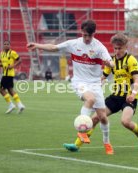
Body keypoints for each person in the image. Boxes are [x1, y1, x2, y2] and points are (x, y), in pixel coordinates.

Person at [27, 19, 115, 155]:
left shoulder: (99, 47)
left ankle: (107, 143)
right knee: (89, 99)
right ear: (81, 32)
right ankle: (82, 132)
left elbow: (111, 62)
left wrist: (109, 64)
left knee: (102, 117)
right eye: (84, 35)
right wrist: (37, 45)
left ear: (94, 34)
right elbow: (53, 47)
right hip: (79, 82)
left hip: (95, 83)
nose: (86, 38)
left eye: (89, 36)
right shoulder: (74, 44)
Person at [64, 33, 138, 152]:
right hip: (115, 97)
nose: (117, 50)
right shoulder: (112, 61)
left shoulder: (131, 60)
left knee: (125, 122)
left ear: (126, 47)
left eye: (119, 48)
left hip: (128, 98)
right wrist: (93, 85)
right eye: (115, 48)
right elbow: (103, 77)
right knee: (94, 118)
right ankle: (76, 145)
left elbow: (136, 79)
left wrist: (133, 94)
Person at [0, 40, 26, 114]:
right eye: (5, 44)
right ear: (3, 45)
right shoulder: (1, 54)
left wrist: (13, 66)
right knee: (10, 90)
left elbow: (20, 60)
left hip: (9, 74)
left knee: (1, 90)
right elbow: (2, 64)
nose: (6, 45)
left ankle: (11, 105)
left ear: (10, 45)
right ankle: (20, 105)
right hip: (5, 74)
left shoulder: (12, 53)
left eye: (7, 44)